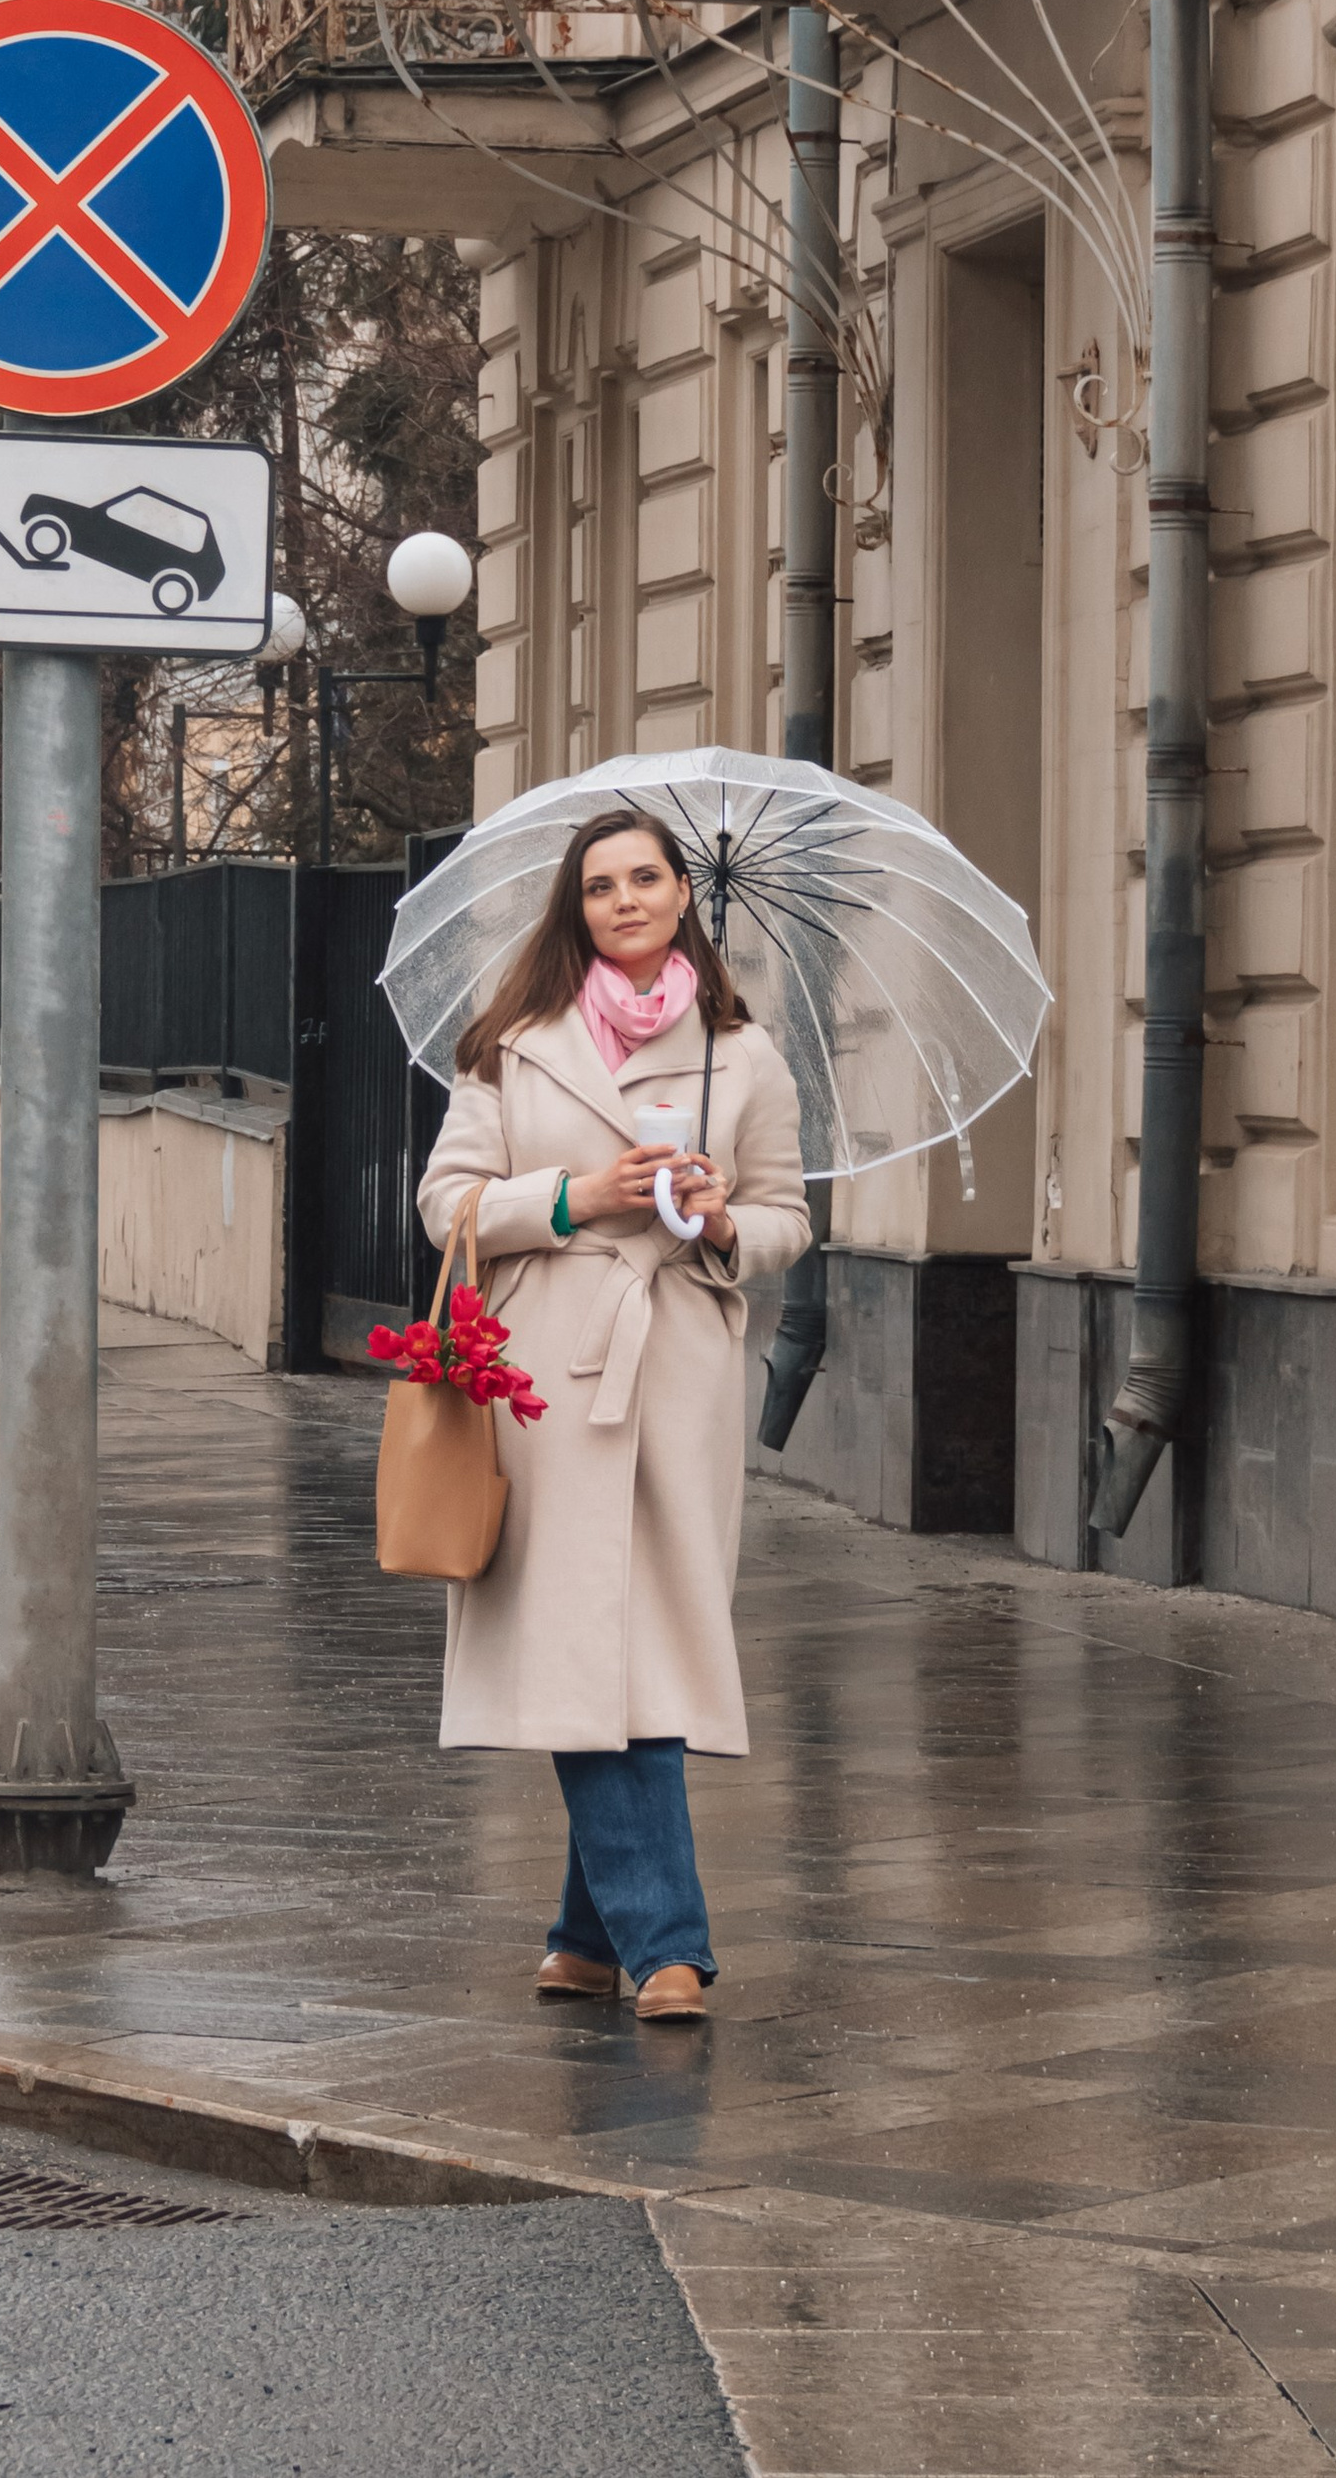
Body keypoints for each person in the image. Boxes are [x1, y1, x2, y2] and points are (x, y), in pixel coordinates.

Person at [414, 804, 813, 2021]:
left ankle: (585, 1939)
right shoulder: (512, 1043)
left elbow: (789, 1220)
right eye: (600, 884)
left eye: (645, 877)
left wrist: (721, 1214)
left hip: (677, 1368)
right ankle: (667, 1946)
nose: (625, 899)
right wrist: (577, 1195)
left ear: (683, 893)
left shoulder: (742, 1056)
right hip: (545, 1374)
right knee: (588, 1640)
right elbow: (446, 1205)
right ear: (575, 907)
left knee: (643, 1642)